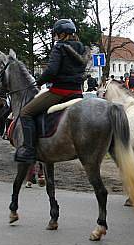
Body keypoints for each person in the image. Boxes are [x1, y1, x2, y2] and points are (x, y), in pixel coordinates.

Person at [15, 19, 87, 163]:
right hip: (77, 93)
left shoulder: (59, 47)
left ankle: (29, 150)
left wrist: (39, 81)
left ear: (61, 34)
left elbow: (52, 71)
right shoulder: (82, 49)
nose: (55, 36)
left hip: (59, 92)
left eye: (56, 34)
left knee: (25, 112)